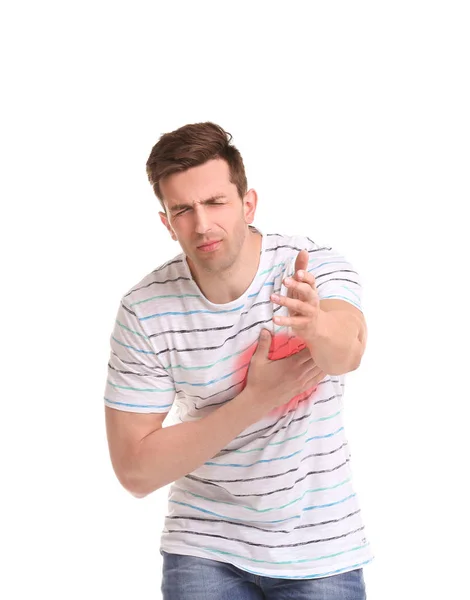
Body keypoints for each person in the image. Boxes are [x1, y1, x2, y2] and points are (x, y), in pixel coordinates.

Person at [103, 122, 373, 599]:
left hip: (319, 543)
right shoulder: (144, 310)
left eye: (215, 203)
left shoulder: (311, 267)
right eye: (183, 210)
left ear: (248, 204)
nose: (202, 224)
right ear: (167, 222)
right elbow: (136, 471)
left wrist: (315, 325)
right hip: (203, 543)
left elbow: (348, 351)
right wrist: (257, 399)